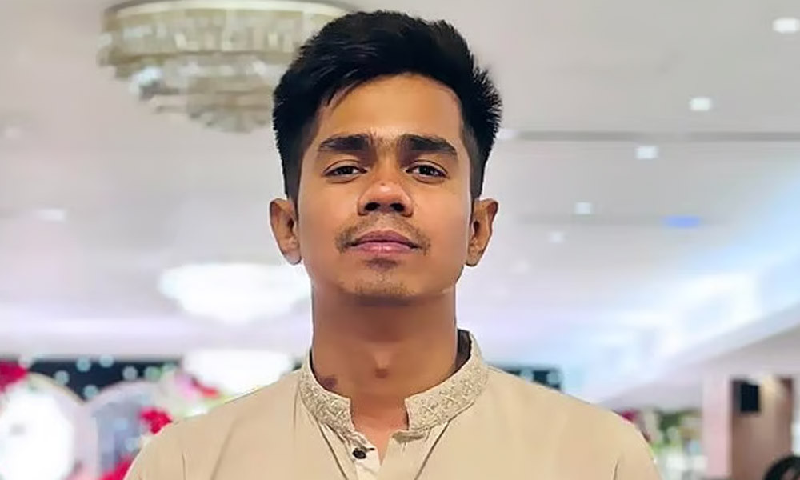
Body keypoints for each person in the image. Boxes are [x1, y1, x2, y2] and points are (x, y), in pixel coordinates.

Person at [125, 10, 660, 480]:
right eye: (346, 167)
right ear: (288, 226)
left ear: (477, 229)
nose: (385, 191)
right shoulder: (186, 464)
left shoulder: (596, 457)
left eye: (425, 169)